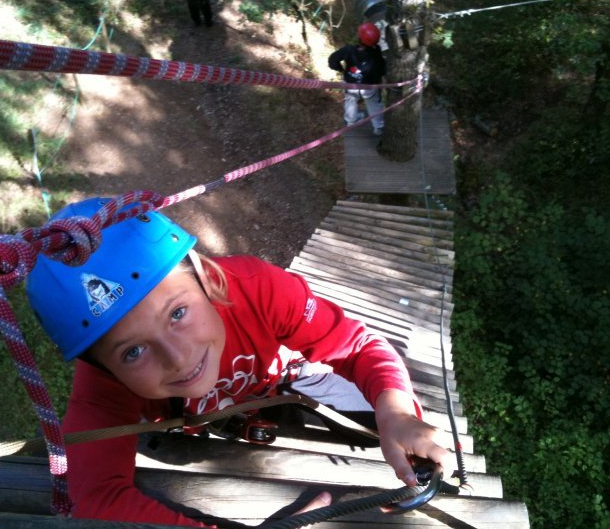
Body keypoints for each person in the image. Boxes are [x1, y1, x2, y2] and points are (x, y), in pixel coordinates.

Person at [26, 197, 453, 526]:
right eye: (132, 352)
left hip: (284, 379)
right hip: (205, 415)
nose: (178, 358)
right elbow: (93, 496)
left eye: (177, 313)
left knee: (381, 421)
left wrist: (396, 412)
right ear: (102, 366)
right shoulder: (102, 386)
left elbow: (356, 347)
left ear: (206, 278)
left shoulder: (257, 290)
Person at [328, 22, 387, 136]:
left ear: (359, 38)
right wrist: (378, 79)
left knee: (350, 100)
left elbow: (332, 60)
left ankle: (351, 121)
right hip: (369, 86)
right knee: (374, 104)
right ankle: (378, 126)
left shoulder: (348, 50)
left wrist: (340, 69)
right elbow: (381, 69)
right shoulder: (376, 52)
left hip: (350, 82)